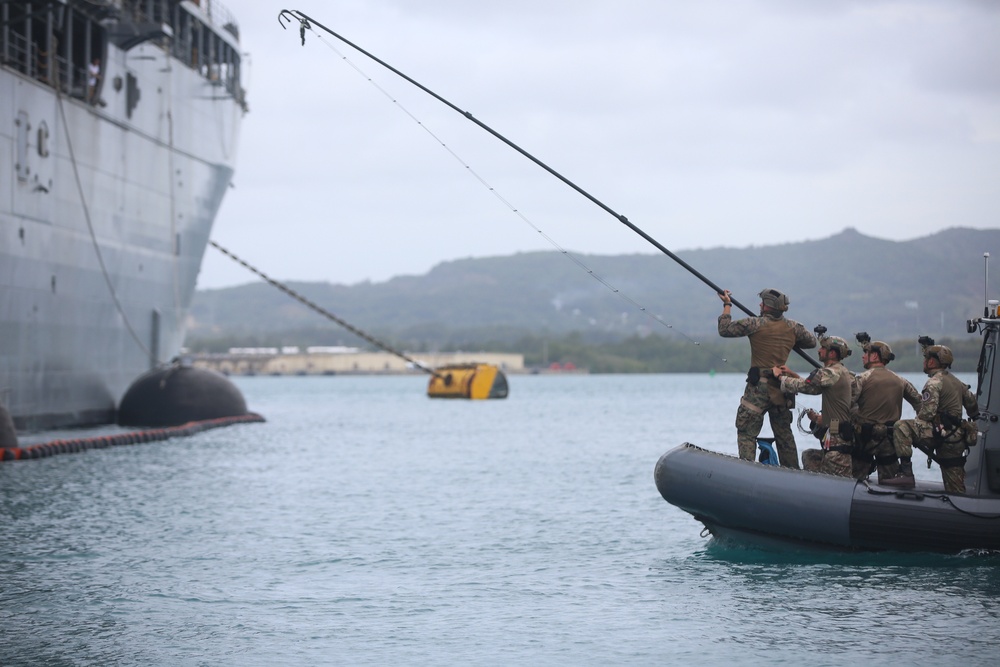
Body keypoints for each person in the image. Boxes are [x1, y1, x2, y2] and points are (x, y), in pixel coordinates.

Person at [717, 288, 817, 467]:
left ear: (768, 307)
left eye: (762, 303)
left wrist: (727, 304)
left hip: (758, 390)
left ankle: (747, 469)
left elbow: (724, 329)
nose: (760, 305)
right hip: (782, 388)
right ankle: (792, 472)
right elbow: (811, 342)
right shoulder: (793, 328)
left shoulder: (755, 324)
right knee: (784, 435)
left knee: (747, 432)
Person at [883, 340, 980, 493]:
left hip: (942, 434)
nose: (924, 362)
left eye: (926, 358)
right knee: (955, 485)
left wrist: (917, 420)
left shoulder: (934, 383)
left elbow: (928, 414)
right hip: (957, 439)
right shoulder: (957, 382)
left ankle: (906, 473)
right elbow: (972, 406)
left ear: (933, 361)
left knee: (901, 426)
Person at [773, 333, 854, 477]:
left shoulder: (831, 372)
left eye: (823, 348)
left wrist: (780, 377)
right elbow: (814, 387)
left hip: (837, 447)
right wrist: (792, 374)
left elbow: (807, 387)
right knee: (808, 455)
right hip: (834, 441)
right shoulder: (839, 372)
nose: (819, 350)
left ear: (832, 353)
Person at [850, 335, 922, 482]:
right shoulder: (900, 380)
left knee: (855, 480)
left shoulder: (862, 378)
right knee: (890, 483)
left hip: (864, 441)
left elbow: (847, 403)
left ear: (875, 356)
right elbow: (919, 403)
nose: (863, 357)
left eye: (866, 353)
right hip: (890, 441)